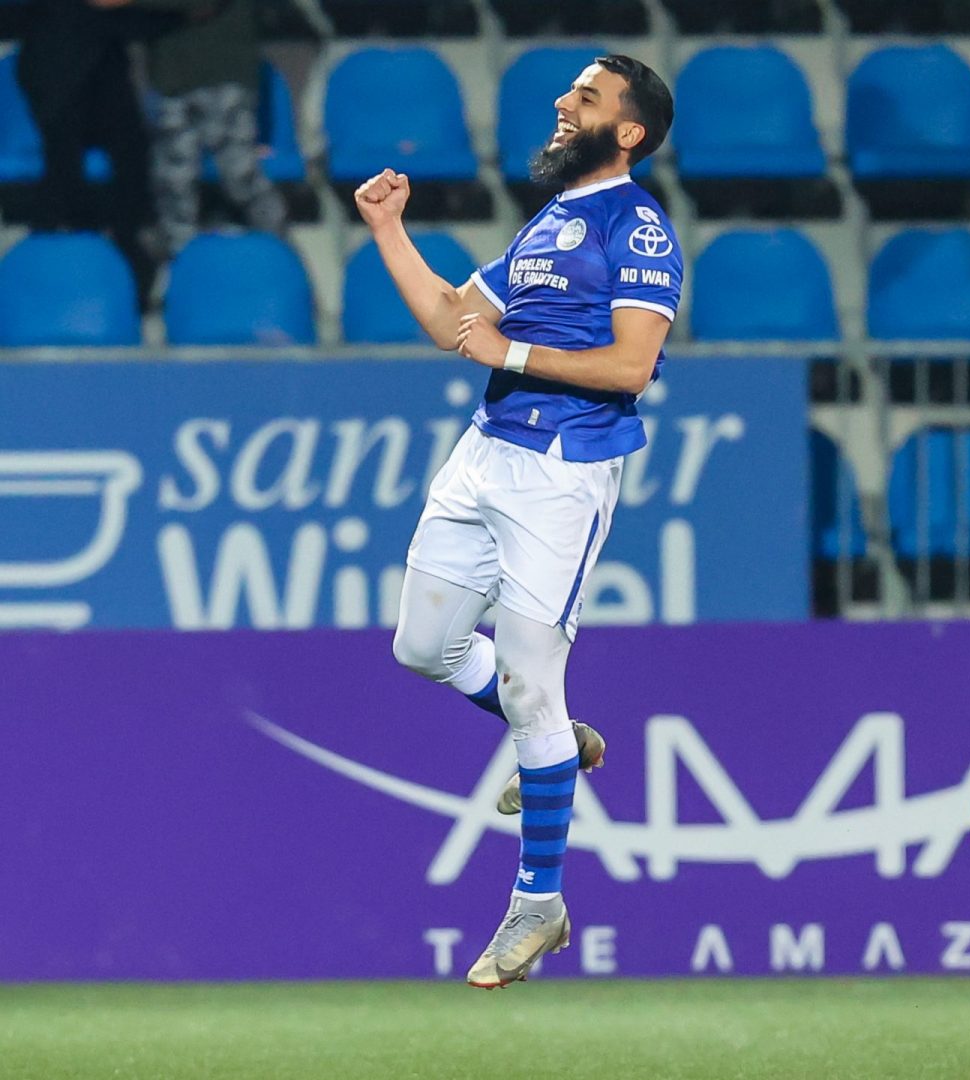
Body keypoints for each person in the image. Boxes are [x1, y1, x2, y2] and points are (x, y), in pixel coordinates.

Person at [354, 54, 678, 989]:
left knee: (534, 684)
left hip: (561, 473)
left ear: (627, 132)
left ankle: (539, 903)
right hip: (485, 450)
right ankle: (557, 734)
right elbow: (454, 321)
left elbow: (630, 369)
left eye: (584, 98)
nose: (560, 103)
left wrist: (513, 349)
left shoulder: (640, 226)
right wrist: (389, 230)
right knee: (421, 645)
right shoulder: (551, 222)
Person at [21, 0, 164, 294]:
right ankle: (45, 279)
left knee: (131, 165)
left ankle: (132, 276)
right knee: (62, 173)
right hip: (58, 69)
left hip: (100, 61)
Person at [132, 0, 288, 257]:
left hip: (223, 73)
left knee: (241, 176)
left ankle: (283, 260)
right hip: (171, 76)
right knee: (174, 185)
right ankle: (182, 271)